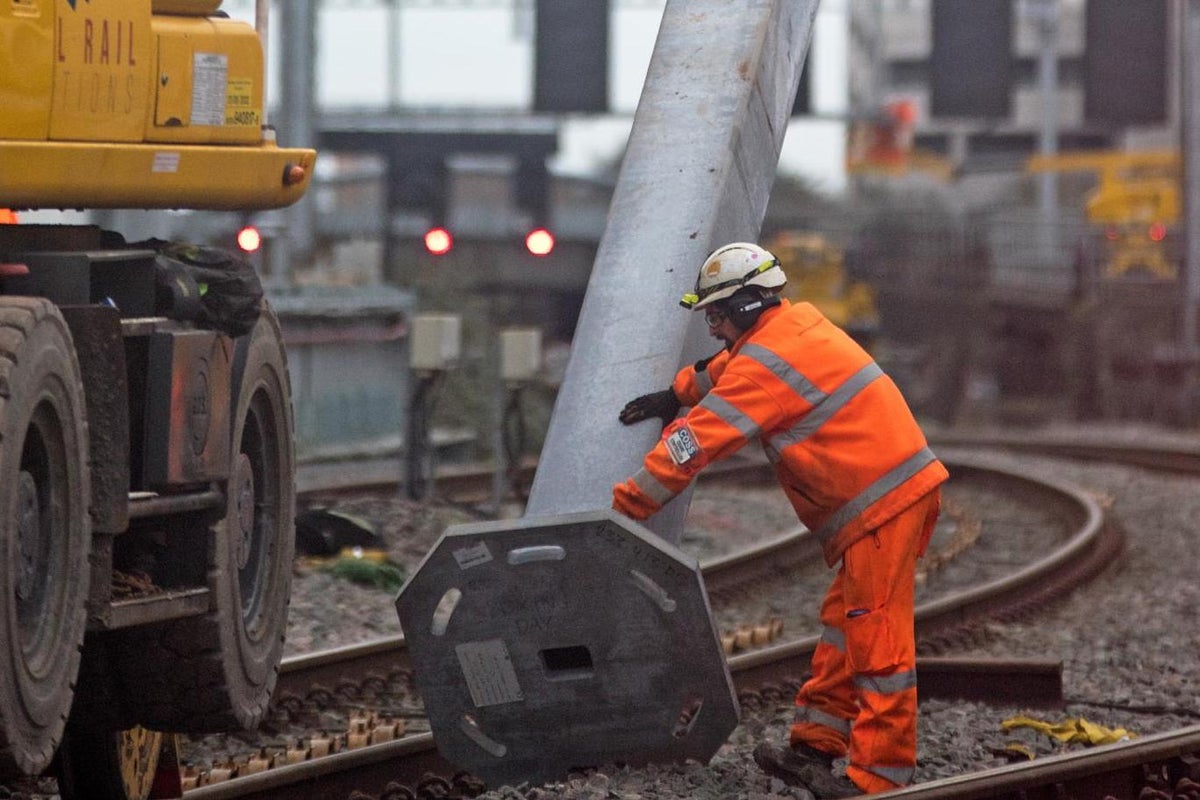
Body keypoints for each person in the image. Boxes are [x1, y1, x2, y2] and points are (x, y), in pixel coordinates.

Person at [612, 241, 948, 798]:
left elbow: (692, 447)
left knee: (876, 642)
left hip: (883, 506)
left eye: (717, 314)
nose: (713, 326)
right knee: (846, 627)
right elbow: (731, 366)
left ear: (745, 305)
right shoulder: (793, 329)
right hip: (890, 501)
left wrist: (624, 510)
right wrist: (677, 393)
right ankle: (815, 745)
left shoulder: (766, 367)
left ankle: (878, 781)